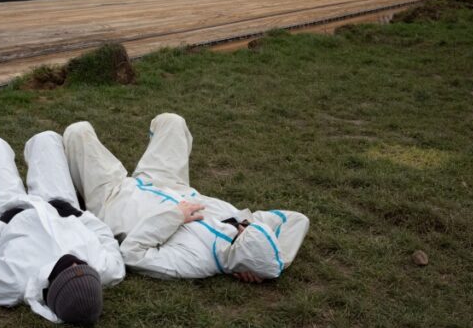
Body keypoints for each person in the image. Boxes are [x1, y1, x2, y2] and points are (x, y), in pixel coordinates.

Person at [63, 113, 309, 282]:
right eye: (247, 225)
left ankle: (79, 186)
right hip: (166, 183)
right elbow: (296, 220)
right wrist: (276, 264)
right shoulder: (243, 229)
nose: (242, 224)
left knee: (77, 132)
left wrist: (173, 217)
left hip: (115, 199)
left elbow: (132, 254)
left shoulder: (195, 262)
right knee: (172, 122)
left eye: (244, 231)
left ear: (239, 251)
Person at [0, 131, 125, 326]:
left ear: (53, 289)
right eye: (81, 266)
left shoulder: (13, 283)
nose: (75, 264)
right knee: (46, 139)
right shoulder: (106, 269)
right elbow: (106, 237)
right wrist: (80, 216)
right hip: (60, 206)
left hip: (7, 209)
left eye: (70, 271)